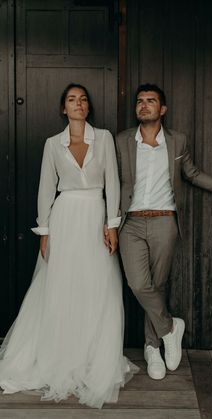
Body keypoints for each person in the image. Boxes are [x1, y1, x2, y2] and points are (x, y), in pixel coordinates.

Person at [0, 83, 137, 408]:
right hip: (64, 219)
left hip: (95, 216)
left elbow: (113, 183)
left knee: (97, 285)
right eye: (72, 100)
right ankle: (58, 353)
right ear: (64, 108)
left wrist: (112, 224)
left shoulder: (102, 138)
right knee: (60, 286)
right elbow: (47, 187)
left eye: (83, 99)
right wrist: (45, 232)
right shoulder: (53, 144)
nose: (78, 104)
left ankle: (90, 356)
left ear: (88, 107)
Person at [115, 83, 212, 381]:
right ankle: (170, 327)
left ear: (162, 109)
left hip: (164, 221)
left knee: (158, 285)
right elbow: (109, 178)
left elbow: (192, 174)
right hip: (130, 222)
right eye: (140, 101)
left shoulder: (177, 141)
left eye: (151, 101)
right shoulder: (121, 142)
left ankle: (151, 347)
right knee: (138, 284)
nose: (144, 105)